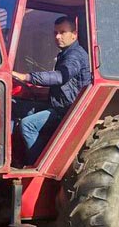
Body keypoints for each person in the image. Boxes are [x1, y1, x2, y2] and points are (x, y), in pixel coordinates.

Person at [11, 16, 90, 165]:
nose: (57, 36)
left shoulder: (75, 55)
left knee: (28, 125)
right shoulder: (65, 54)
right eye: (55, 33)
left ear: (74, 34)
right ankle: (12, 157)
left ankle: (37, 164)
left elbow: (61, 77)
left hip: (66, 110)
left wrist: (26, 76)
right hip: (56, 104)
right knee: (14, 106)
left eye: (62, 32)